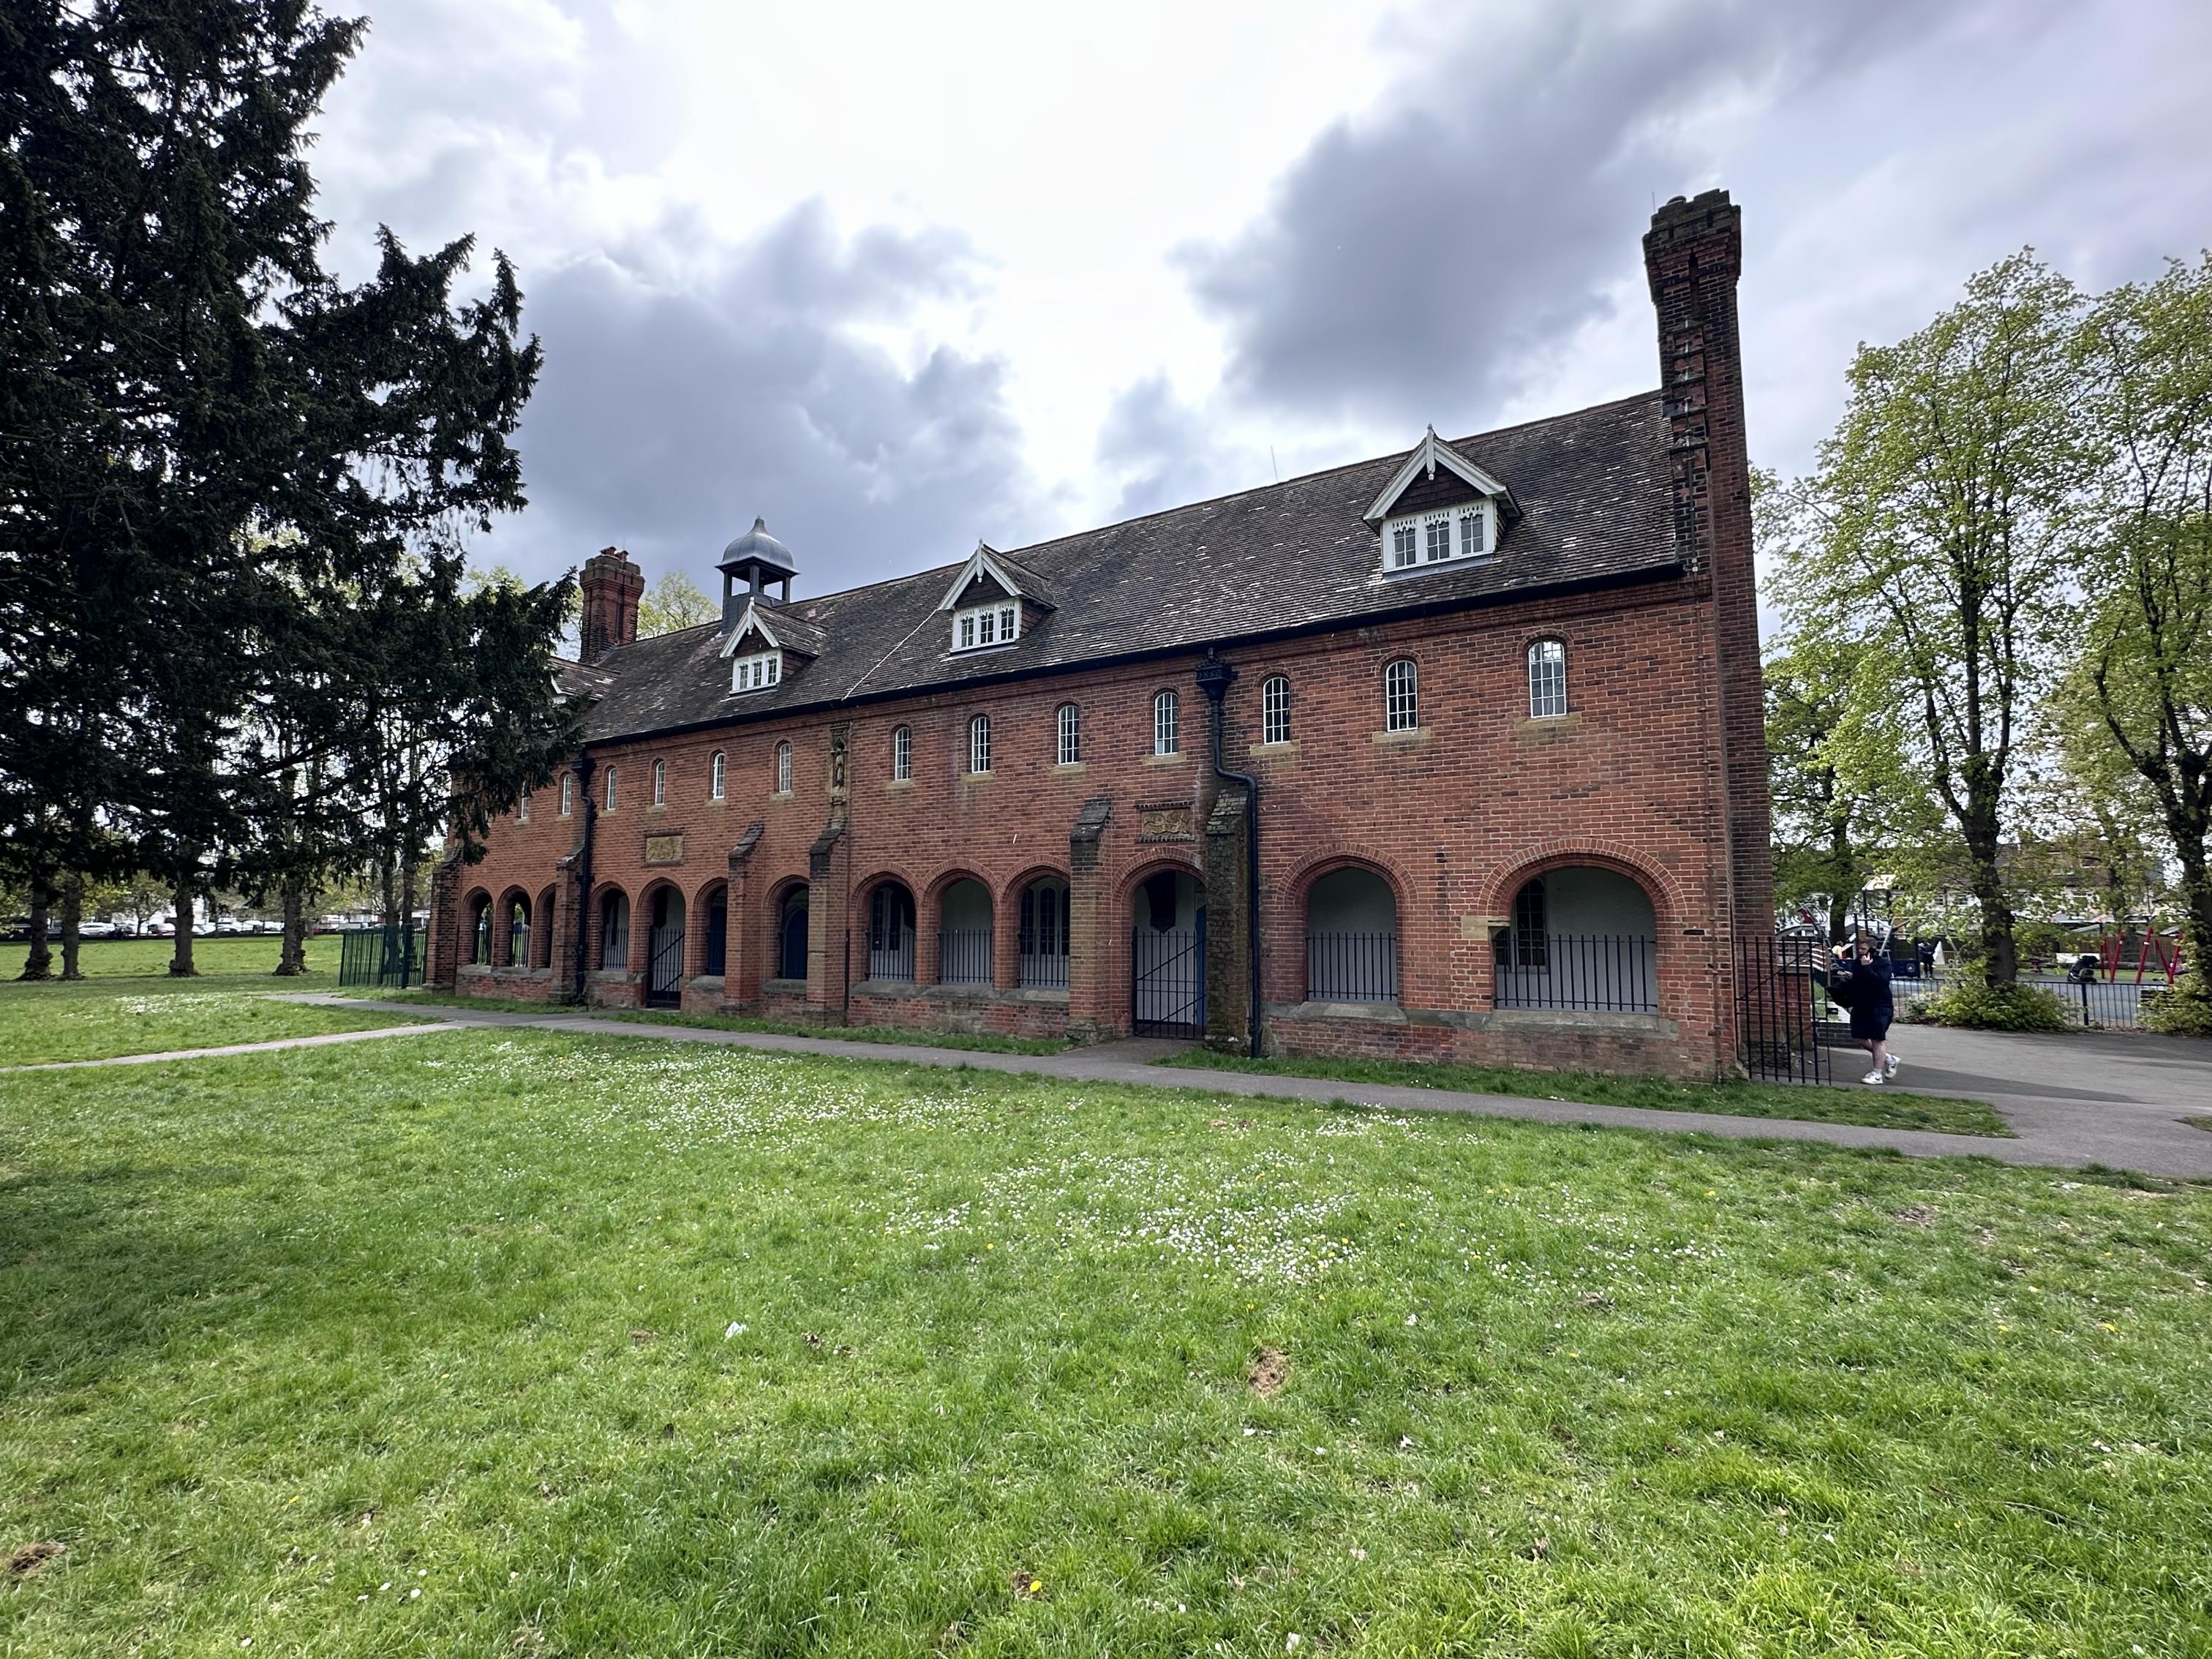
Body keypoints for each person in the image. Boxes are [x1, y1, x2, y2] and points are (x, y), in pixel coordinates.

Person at [1832, 930, 1897, 1085]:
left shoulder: (1883, 964)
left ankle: (1877, 1074)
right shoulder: (1857, 963)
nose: (1860, 952)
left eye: (1863, 949)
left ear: (1872, 950)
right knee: (1860, 1037)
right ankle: (1888, 1058)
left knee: (1877, 1039)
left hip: (1880, 1007)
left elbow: (1880, 983)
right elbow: (1858, 983)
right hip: (1862, 1006)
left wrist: (1868, 968)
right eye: (1859, 949)